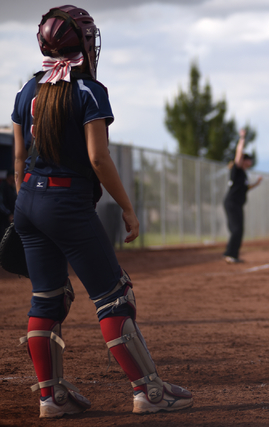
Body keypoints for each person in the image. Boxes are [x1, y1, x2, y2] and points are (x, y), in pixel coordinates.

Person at [11, 5, 192, 418]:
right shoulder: (89, 90)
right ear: (83, 44)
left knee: (46, 298)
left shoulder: (28, 90)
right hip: (66, 204)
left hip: (28, 201)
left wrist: (23, 207)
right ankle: (149, 392)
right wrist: (127, 208)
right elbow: (98, 158)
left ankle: (51, 398)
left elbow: (20, 157)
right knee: (114, 297)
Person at [223, 129, 262, 264]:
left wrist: (257, 183)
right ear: (243, 161)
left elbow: (246, 188)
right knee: (236, 229)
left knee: (239, 230)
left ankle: (233, 255)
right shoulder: (237, 169)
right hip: (232, 202)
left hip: (237, 204)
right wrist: (242, 137)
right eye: (248, 159)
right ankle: (230, 254)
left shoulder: (243, 175)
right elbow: (239, 153)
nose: (250, 161)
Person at [0, 169, 17, 236]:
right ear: (10, 177)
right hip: (3, 218)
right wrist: (8, 214)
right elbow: (1, 203)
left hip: (10, 218)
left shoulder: (11, 188)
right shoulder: (3, 187)